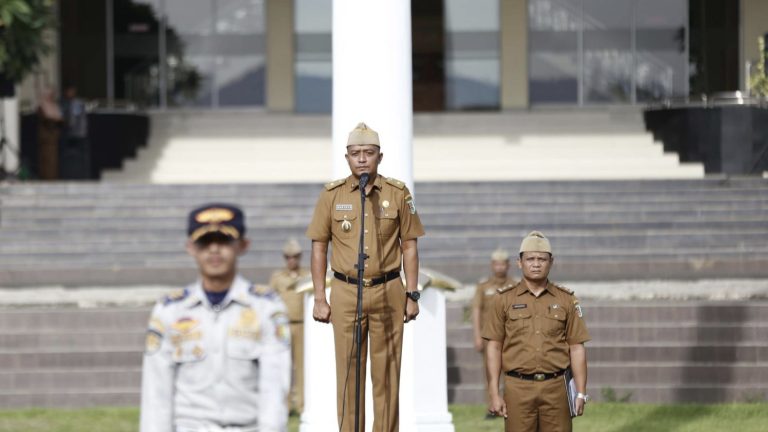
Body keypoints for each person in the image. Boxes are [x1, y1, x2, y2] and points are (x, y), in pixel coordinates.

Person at [305, 122, 425, 432]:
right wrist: (320, 297)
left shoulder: (398, 193)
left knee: (387, 373)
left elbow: (409, 245)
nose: (362, 159)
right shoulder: (332, 195)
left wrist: (412, 294)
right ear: (346, 158)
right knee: (348, 373)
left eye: (368, 153)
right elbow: (319, 247)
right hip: (346, 292)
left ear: (379, 157)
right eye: (355, 153)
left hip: (388, 289)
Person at [140, 203, 291, 432]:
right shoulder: (170, 310)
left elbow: (275, 387)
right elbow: (156, 391)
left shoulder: (266, 307)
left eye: (223, 241)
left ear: (243, 245)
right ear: (190, 247)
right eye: (204, 242)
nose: (214, 250)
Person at [483, 231, 590, 432]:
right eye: (530, 259)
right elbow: (494, 347)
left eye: (542, 259)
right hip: (518, 388)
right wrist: (494, 393)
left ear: (551, 262)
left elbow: (577, 348)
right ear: (519, 262)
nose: (536, 263)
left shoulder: (566, 300)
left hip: (556, 388)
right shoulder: (503, 300)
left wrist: (581, 393)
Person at [471, 247, 516, 418]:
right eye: (496, 264)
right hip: (489, 338)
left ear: (508, 265)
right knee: (490, 374)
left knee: (511, 374)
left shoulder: (515, 285)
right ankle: (492, 407)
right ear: (492, 265)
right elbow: (476, 311)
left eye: (502, 264)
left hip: (510, 338)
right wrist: (477, 335)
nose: (499, 267)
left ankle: (509, 407)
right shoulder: (483, 286)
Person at [268, 238, 310, 415]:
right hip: (284, 326)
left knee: (302, 367)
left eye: (295, 256)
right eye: (288, 257)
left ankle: (301, 405)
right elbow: (270, 300)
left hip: (302, 325)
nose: (291, 260)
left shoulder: (307, 275)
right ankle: (284, 405)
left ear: (300, 257)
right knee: (283, 366)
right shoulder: (278, 278)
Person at [36, 88, 63, 180]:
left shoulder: (54, 106)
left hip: (53, 137)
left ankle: (52, 176)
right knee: (46, 159)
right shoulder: (42, 106)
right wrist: (54, 119)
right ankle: (46, 177)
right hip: (46, 137)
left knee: (53, 159)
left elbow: (59, 118)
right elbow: (47, 119)